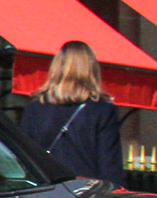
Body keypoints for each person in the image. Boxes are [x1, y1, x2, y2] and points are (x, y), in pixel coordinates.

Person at [17, 40, 126, 185]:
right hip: (86, 189)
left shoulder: (35, 108)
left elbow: (25, 157)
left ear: (56, 68)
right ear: (91, 70)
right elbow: (109, 162)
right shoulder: (102, 109)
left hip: (46, 189)